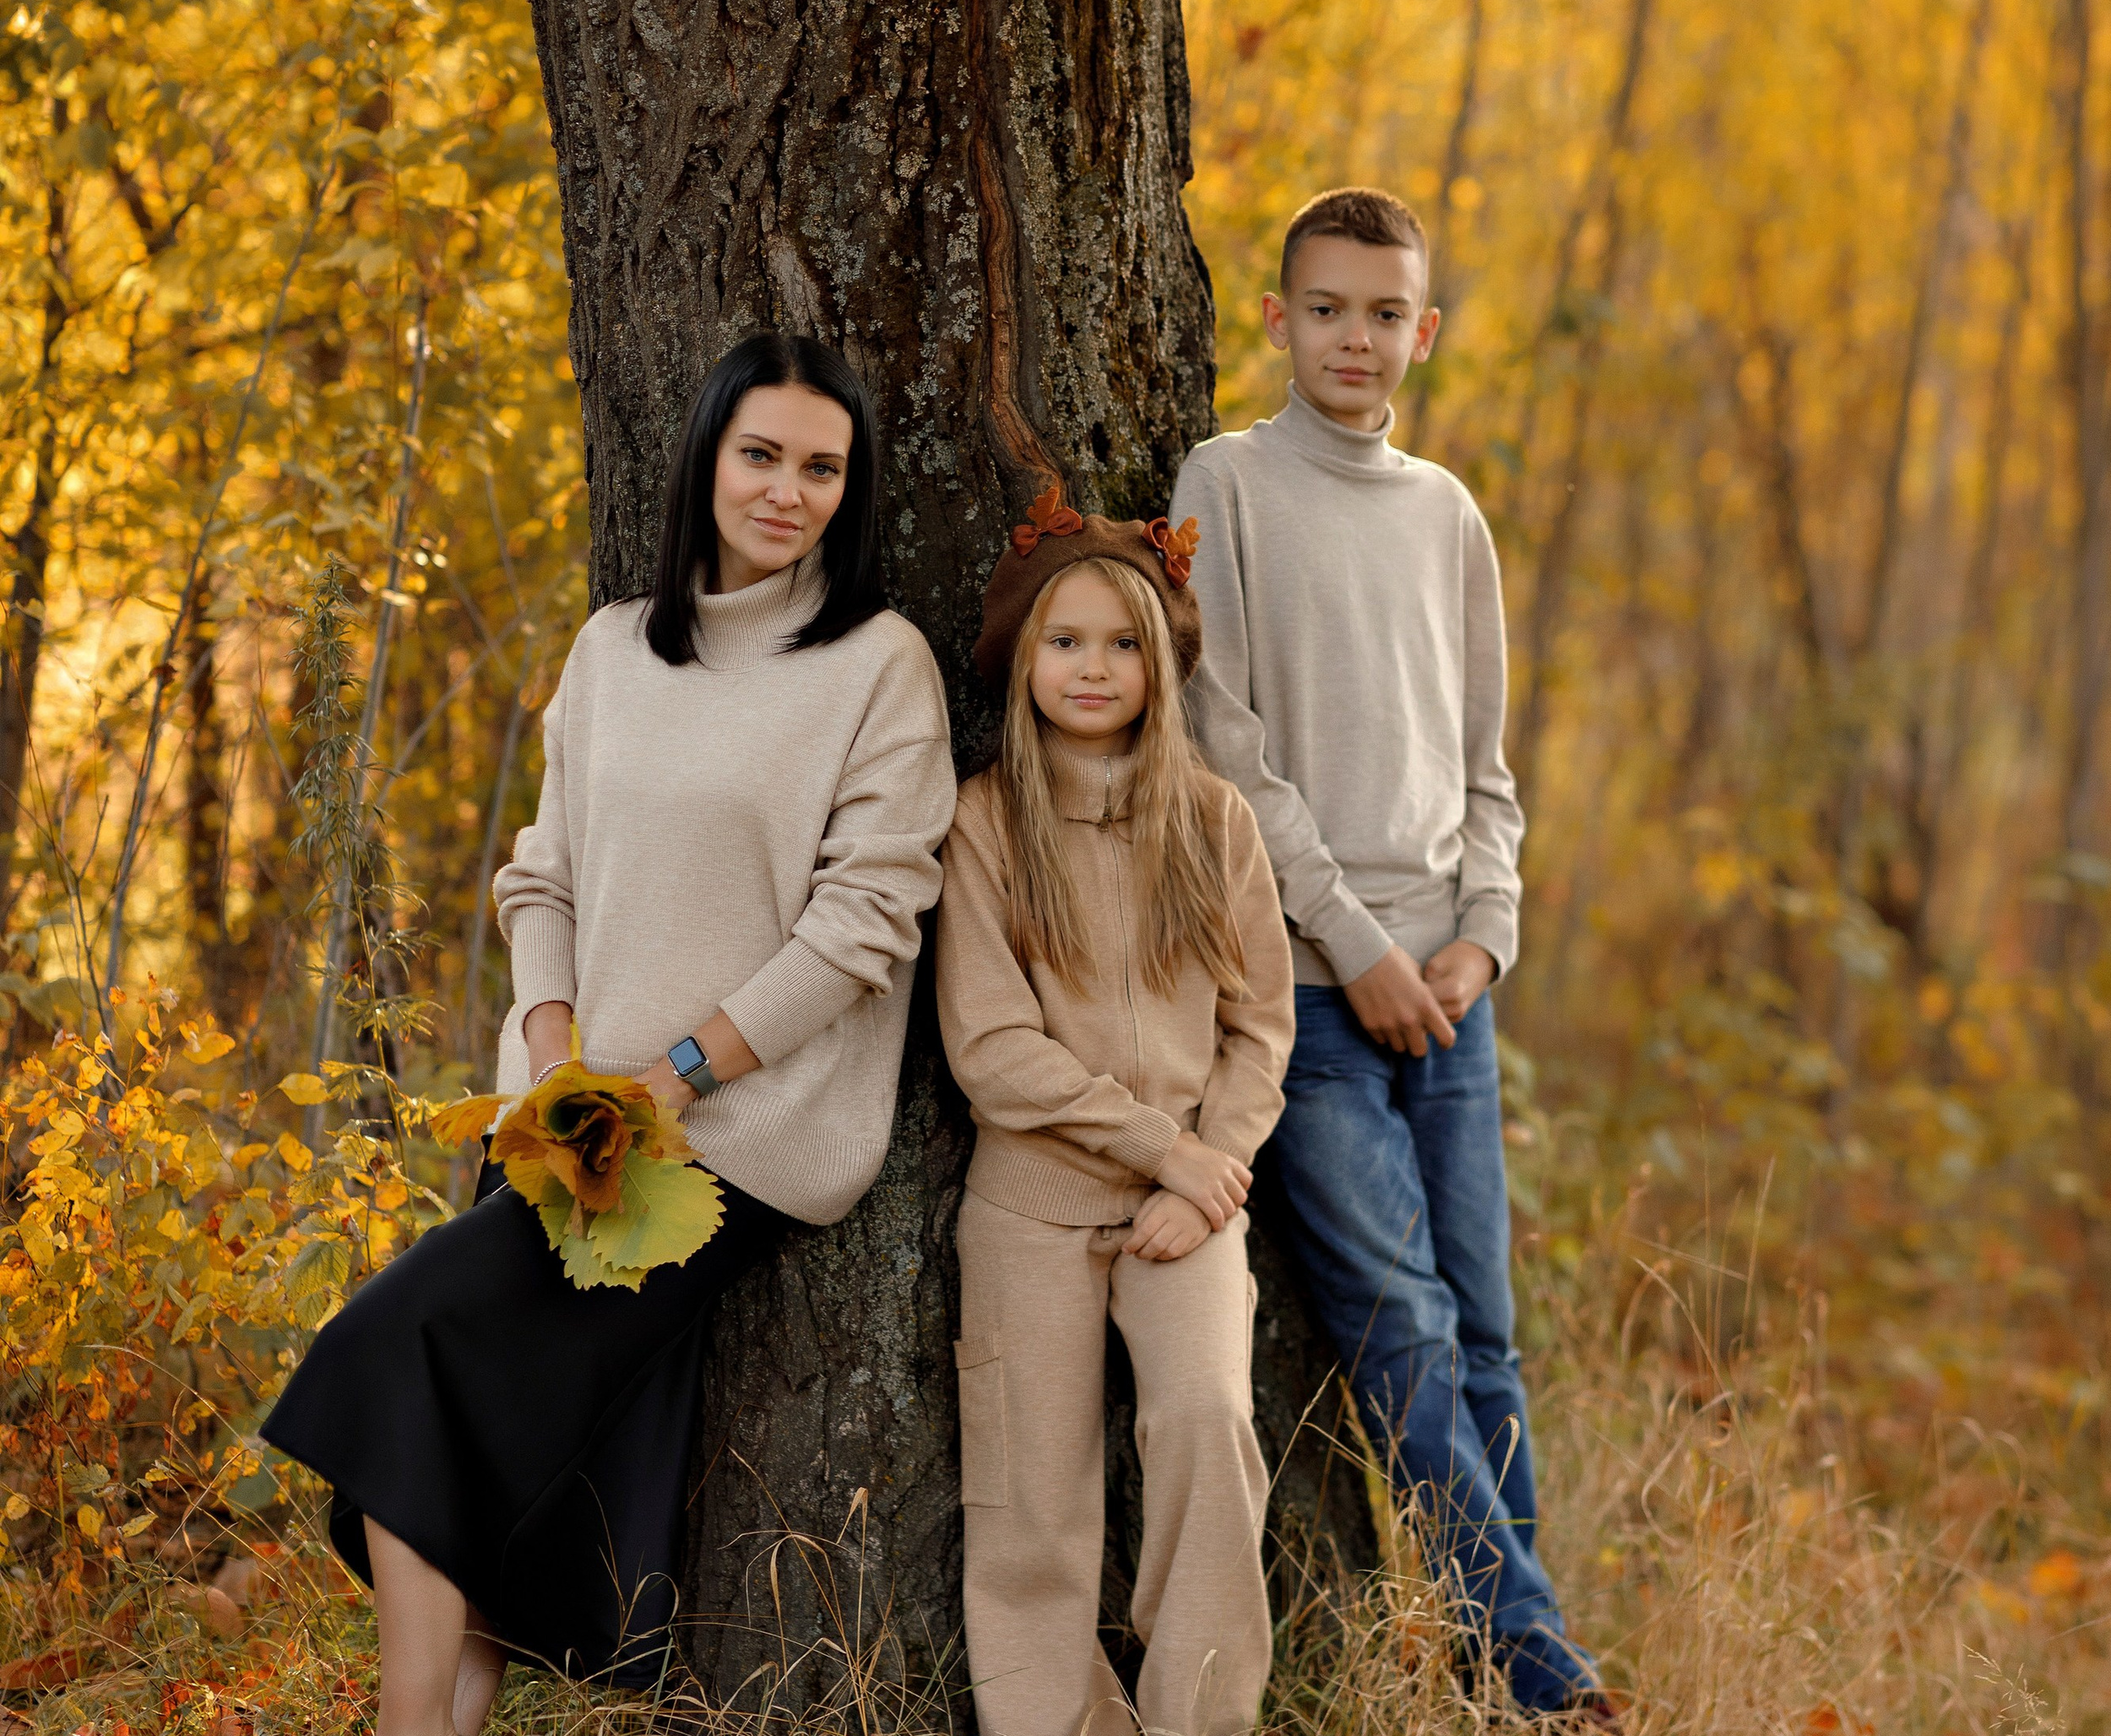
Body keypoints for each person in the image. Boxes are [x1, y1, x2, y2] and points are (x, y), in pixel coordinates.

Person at [263, 332, 957, 1736]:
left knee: (397, 1360)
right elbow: (545, 876)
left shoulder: (879, 668)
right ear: (707, 454)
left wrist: (675, 1076)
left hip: (724, 1144)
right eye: (761, 455)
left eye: (822, 468)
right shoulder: (612, 646)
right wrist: (562, 1049)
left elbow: (866, 922)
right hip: (566, 1120)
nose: (788, 491)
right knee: (469, 1462)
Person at [1169, 188, 1611, 1722]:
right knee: (1403, 1330)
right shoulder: (1223, 486)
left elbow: (1485, 770)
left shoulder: (1446, 515)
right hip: (1313, 998)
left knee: (1484, 1334)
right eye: (1327, 308)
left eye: (1385, 313)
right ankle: (1549, 1674)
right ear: (1278, 321)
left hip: (1451, 997)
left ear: (1423, 333)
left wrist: (1480, 943)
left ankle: (1504, 1674)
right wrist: (1351, 946)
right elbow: (1225, 749)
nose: (1356, 338)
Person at [936, 498, 1295, 1736]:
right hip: (1030, 1211)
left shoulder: (1217, 823)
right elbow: (992, 1050)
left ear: (1163, 662)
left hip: (1190, 1216)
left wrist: (1211, 1170)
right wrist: (1164, 1147)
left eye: (1123, 645)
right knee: (1032, 1502)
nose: (1094, 671)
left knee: (1206, 1427)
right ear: (1021, 660)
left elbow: (1260, 1031)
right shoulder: (984, 822)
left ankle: (1199, 1720)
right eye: (1066, 643)